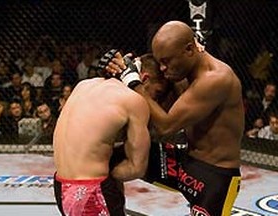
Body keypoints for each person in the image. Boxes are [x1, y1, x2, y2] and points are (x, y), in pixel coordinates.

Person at [105, 21, 245, 216]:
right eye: (160, 61)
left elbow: (165, 126)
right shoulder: (184, 67)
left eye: (167, 61)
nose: (162, 68)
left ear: (189, 50)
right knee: (108, 159)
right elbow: (151, 84)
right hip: (183, 160)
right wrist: (130, 66)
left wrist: (131, 80)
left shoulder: (215, 79)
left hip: (214, 176)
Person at [53, 66, 151, 215]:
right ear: (144, 78)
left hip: (61, 186)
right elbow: (136, 168)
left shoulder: (82, 85)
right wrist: (111, 172)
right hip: (91, 192)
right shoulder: (133, 100)